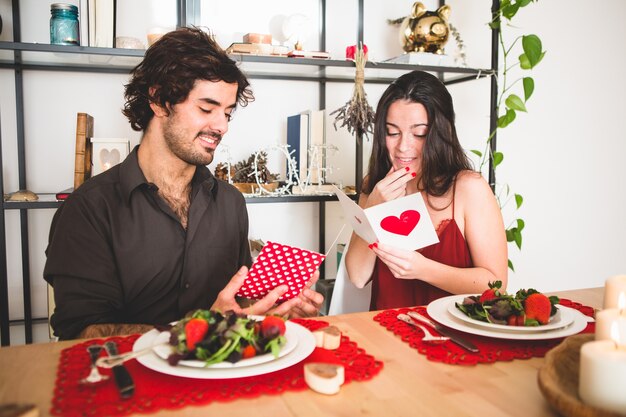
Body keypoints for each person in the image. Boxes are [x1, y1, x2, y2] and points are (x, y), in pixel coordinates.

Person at [44, 27, 323, 340]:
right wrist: (196, 330)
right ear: (159, 100)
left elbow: (236, 305)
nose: (221, 126)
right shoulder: (90, 210)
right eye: (206, 108)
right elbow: (81, 333)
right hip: (132, 385)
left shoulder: (230, 202)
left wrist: (268, 307)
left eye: (228, 113)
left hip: (223, 381)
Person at [344, 70, 508, 310]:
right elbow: (357, 276)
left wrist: (423, 269)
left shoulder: (468, 188)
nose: (403, 146)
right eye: (392, 132)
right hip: (386, 332)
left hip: (453, 338)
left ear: (440, 133)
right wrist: (372, 208)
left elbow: (497, 285)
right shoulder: (376, 185)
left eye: (419, 133)